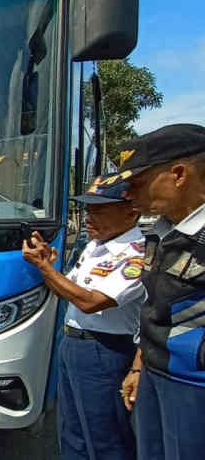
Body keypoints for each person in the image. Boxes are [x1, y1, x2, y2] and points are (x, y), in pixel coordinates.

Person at [23, 177, 145, 460]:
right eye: (88, 211)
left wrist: (45, 268)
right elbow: (70, 291)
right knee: (72, 430)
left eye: (100, 211)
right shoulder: (96, 246)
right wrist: (49, 268)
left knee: (104, 436)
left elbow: (90, 302)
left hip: (105, 350)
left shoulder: (135, 253)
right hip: (74, 344)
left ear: (132, 211)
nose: (89, 218)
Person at [106, 124, 205, 460]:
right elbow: (153, 309)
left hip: (195, 387)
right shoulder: (162, 233)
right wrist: (139, 367)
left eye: (136, 183)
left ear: (178, 174)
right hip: (156, 375)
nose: (127, 194)